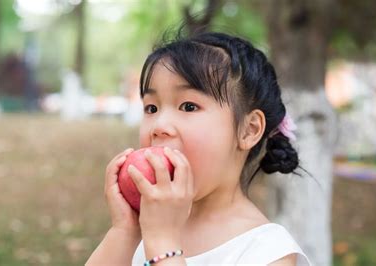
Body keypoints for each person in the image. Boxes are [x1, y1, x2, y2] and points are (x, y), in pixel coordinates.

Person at [85, 31, 310, 266]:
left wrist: (164, 242)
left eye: (189, 106)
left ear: (249, 130)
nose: (159, 126)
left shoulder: (268, 251)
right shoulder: (149, 228)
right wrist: (126, 230)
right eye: (151, 108)